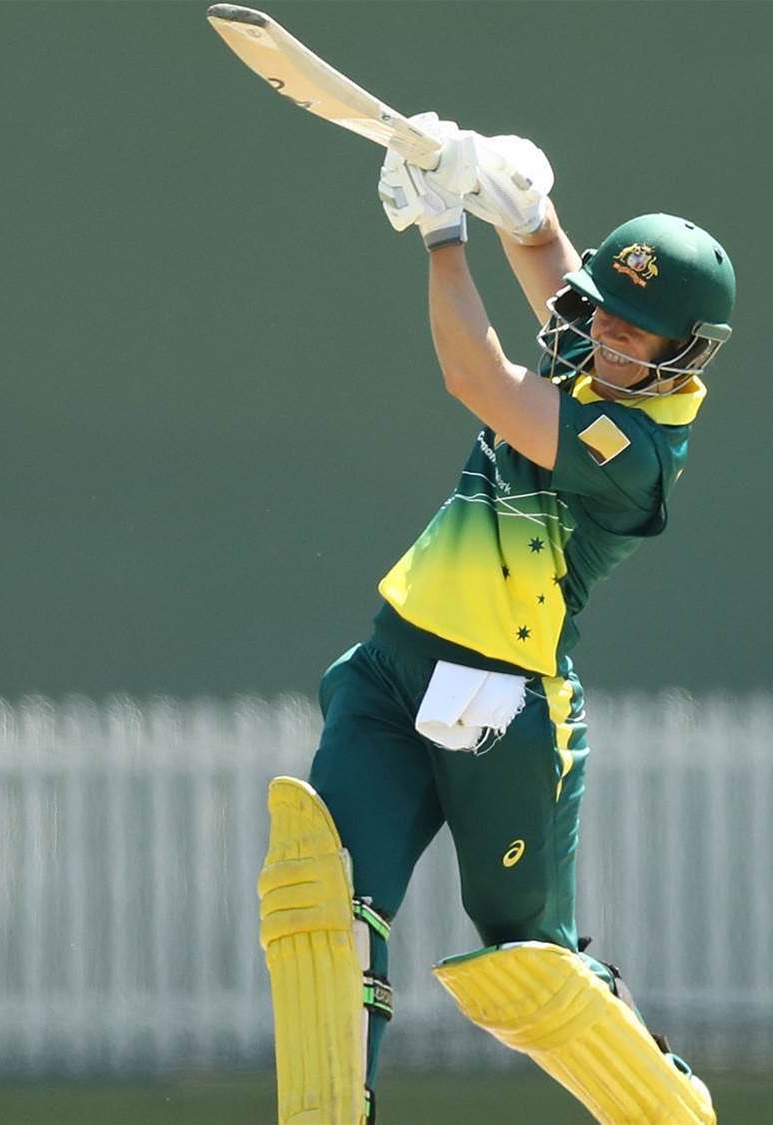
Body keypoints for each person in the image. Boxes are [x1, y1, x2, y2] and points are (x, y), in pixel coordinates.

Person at [255, 116, 735, 1125]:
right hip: (391, 667)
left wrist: (443, 234)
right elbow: (560, 280)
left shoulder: (633, 453)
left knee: (524, 958)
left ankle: (664, 1100)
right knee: (330, 901)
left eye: (631, 332)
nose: (603, 337)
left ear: (681, 355)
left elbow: (475, 377)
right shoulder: (595, 360)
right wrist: (523, 206)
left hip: (501, 704)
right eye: (603, 316)